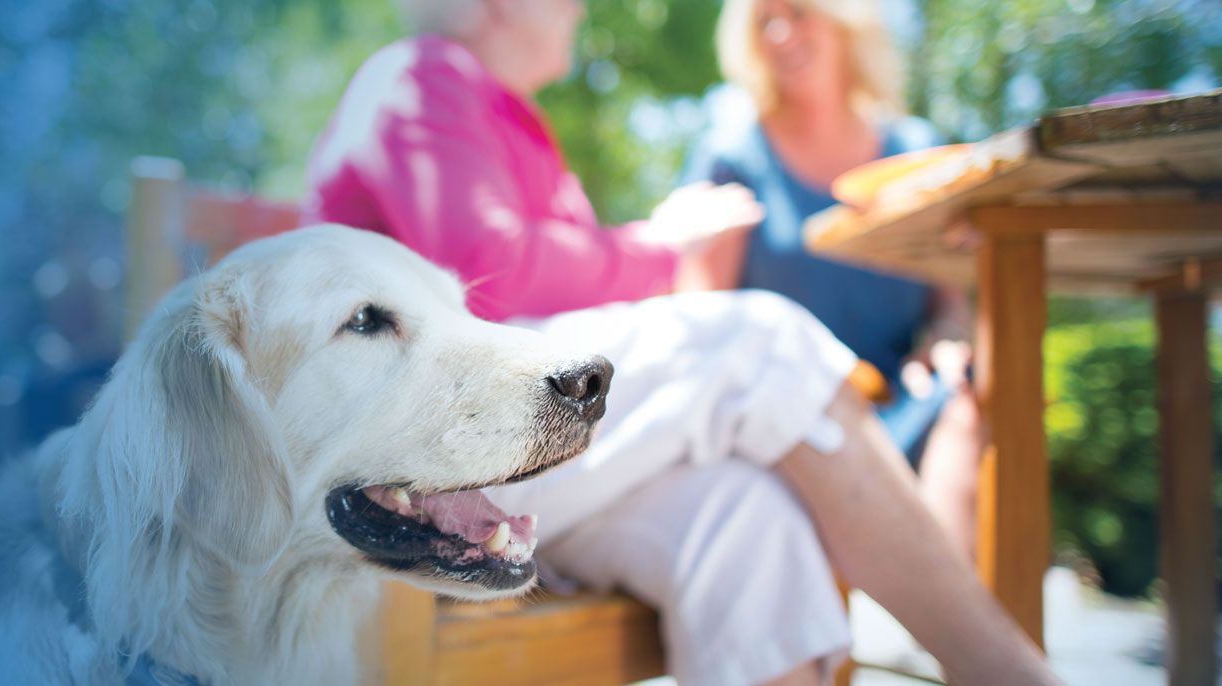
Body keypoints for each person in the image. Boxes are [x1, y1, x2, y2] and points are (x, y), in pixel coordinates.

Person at [304, 1, 1057, 685]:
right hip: (409, 484)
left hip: (515, 474)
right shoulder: (424, 78)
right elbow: (488, 276)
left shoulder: (499, 116)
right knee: (760, 341)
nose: (577, 8)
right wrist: (658, 244)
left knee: (749, 516)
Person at [682, 0, 982, 557]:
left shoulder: (915, 152)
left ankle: (949, 629)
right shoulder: (733, 157)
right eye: (763, 22)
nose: (779, 34)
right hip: (786, 416)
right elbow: (700, 319)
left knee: (965, 406)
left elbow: (950, 307)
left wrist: (941, 343)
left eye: (797, 12)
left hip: (901, 403)